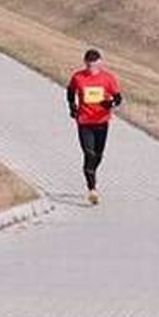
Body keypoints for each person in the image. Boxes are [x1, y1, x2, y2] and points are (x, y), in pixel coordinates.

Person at [66, 49, 122, 205]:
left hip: (102, 122)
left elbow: (118, 98)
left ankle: (91, 171)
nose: (91, 68)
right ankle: (92, 189)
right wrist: (72, 106)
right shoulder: (78, 77)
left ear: (100, 63)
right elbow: (70, 91)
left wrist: (110, 103)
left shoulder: (108, 78)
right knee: (89, 154)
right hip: (84, 122)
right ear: (85, 63)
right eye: (89, 65)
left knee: (98, 155)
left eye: (94, 65)